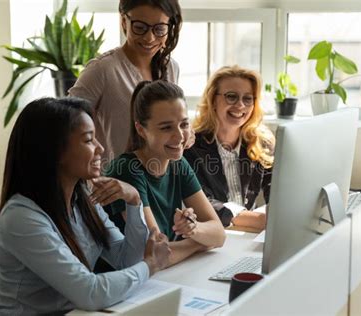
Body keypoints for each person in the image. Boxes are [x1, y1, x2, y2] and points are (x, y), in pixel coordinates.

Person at [0, 97, 171, 315]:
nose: (100, 148)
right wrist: (150, 265)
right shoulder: (21, 218)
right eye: (88, 140)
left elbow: (124, 261)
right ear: (55, 151)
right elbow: (90, 292)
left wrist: (134, 200)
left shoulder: (81, 198)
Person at [93, 80, 225, 266]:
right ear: (141, 130)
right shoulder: (126, 169)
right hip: (126, 283)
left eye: (184, 124)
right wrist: (199, 243)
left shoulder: (177, 163)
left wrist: (193, 228)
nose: (180, 136)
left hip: (163, 277)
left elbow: (219, 234)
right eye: (166, 127)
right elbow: (155, 253)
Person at [69, 0, 183, 166]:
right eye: (139, 27)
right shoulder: (102, 70)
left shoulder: (171, 68)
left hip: (159, 183)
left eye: (159, 29)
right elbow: (66, 128)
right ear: (124, 21)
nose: (149, 38)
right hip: (114, 183)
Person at [184, 65, 275, 231]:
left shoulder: (261, 143)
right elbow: (200, 202)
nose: (240, 105)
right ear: (213, 100)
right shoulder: (191, 147)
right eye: (231, 97)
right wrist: (257, 220)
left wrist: (278, 213)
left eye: (248, 99)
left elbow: (276, 191)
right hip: (210, 234)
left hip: (246, 233)